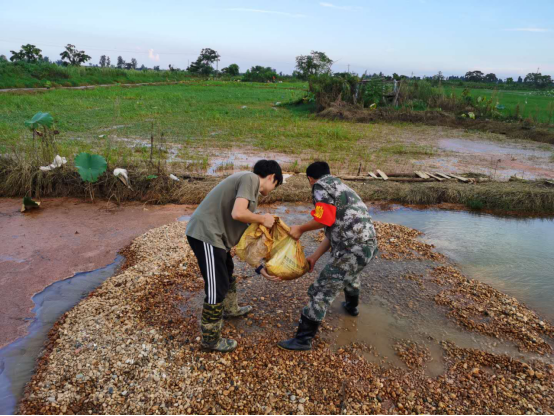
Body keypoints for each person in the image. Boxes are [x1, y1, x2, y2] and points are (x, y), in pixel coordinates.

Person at [273, 161, 378, 351]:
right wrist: (314, 256)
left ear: (310, 179)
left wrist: (300, 229)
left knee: (322, 290)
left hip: (350, 247)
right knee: (350, 274)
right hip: (367, 244)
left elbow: (324, 219)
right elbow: (333, 229)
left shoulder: (320, 186)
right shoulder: (341, 187)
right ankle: (352, 307)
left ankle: (303, 340)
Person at [186, 160, 283, 352]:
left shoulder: (249, 191)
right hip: (206, 234)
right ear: (272, 177)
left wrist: (260, 268)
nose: (273, 190)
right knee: (216, 286)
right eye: (276, 185)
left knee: (227, 271)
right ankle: (210, 339)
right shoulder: (250, 178)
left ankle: (230, 309)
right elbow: (238, 213)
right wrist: (263, 218)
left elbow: (243, 241)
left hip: (218, 239)